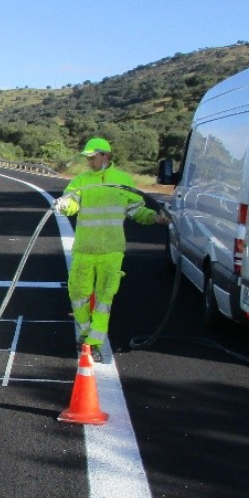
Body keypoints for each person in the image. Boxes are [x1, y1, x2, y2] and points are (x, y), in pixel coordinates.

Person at [53, 137, 169, 363]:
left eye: (92, 158)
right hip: (84, 249)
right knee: (78, 294)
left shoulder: (122, 181)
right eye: (87, 158)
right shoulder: (81, 180)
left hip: (112, 251)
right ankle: (85, 331)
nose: (89, 162)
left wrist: (155, 218)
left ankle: (93, 342)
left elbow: (137, 211)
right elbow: (72, 202)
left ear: (105, 155)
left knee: (105, 298)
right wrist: (64, 205)